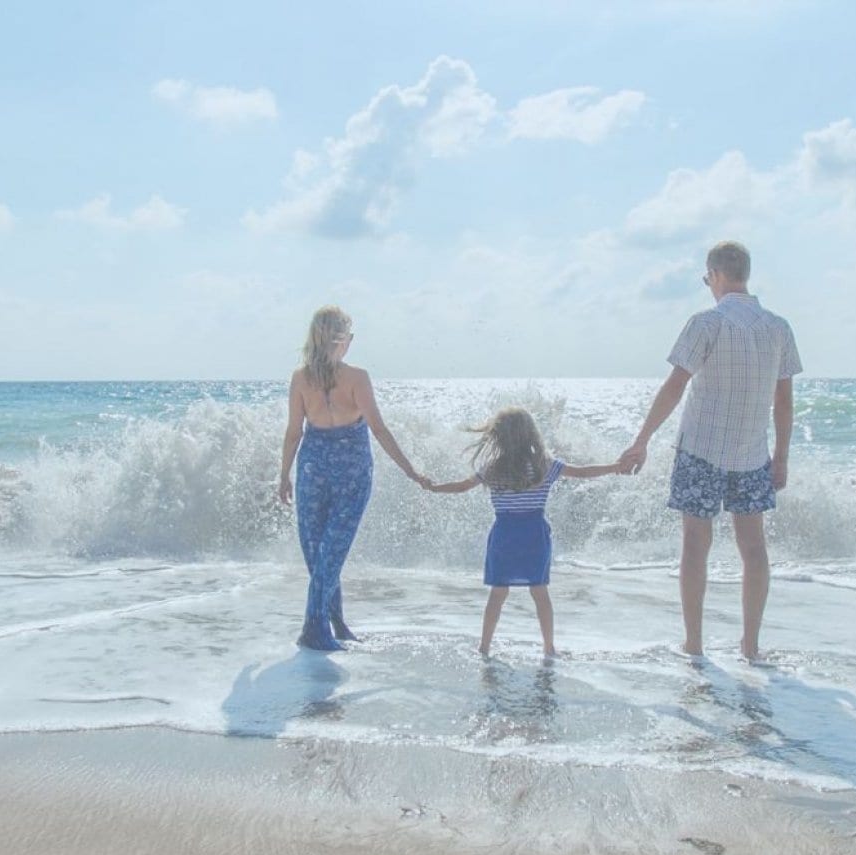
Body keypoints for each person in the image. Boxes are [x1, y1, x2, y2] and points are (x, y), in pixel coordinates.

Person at [616, 241, 802, 661]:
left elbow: (675, 386)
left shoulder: (706, 323)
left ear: (715, 275)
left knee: (695, 545)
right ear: (745, 275)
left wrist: (642, 439)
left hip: (700, 449)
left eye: (706, 279)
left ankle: (694, 644)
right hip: (753, 453)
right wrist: (783, 456)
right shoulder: (778, 327)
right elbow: (785, 402)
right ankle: (750, 646)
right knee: (753, 548)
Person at [416, 407, 622, 657]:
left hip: (504, 535)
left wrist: (434, 487)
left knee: (498, 592)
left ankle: (484, 646)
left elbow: (461, 487)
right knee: (540, 591)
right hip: (534, 535)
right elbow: (583, 472)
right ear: (531, 435)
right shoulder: (545, 466)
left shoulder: (493, 468)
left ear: (498, 437)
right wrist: (615, 467)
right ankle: (548, 647)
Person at [276, 306, 424, 652]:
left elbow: (293, 434)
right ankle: (315, 628)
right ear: (345, 340)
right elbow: (379, 428)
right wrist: (410, 469)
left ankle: (334, 623)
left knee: (322, 553)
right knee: (328, 553)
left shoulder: (301, 378)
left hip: (313, 466)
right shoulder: (357, 377)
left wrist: (284, 475)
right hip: (351, 471)